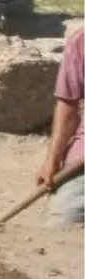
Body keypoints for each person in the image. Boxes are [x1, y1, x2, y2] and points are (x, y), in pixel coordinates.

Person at [36, 26, 85, 227]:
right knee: (59, 227)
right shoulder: (81, 42)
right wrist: (52, 161)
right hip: (82, 162)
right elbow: (67, 105)